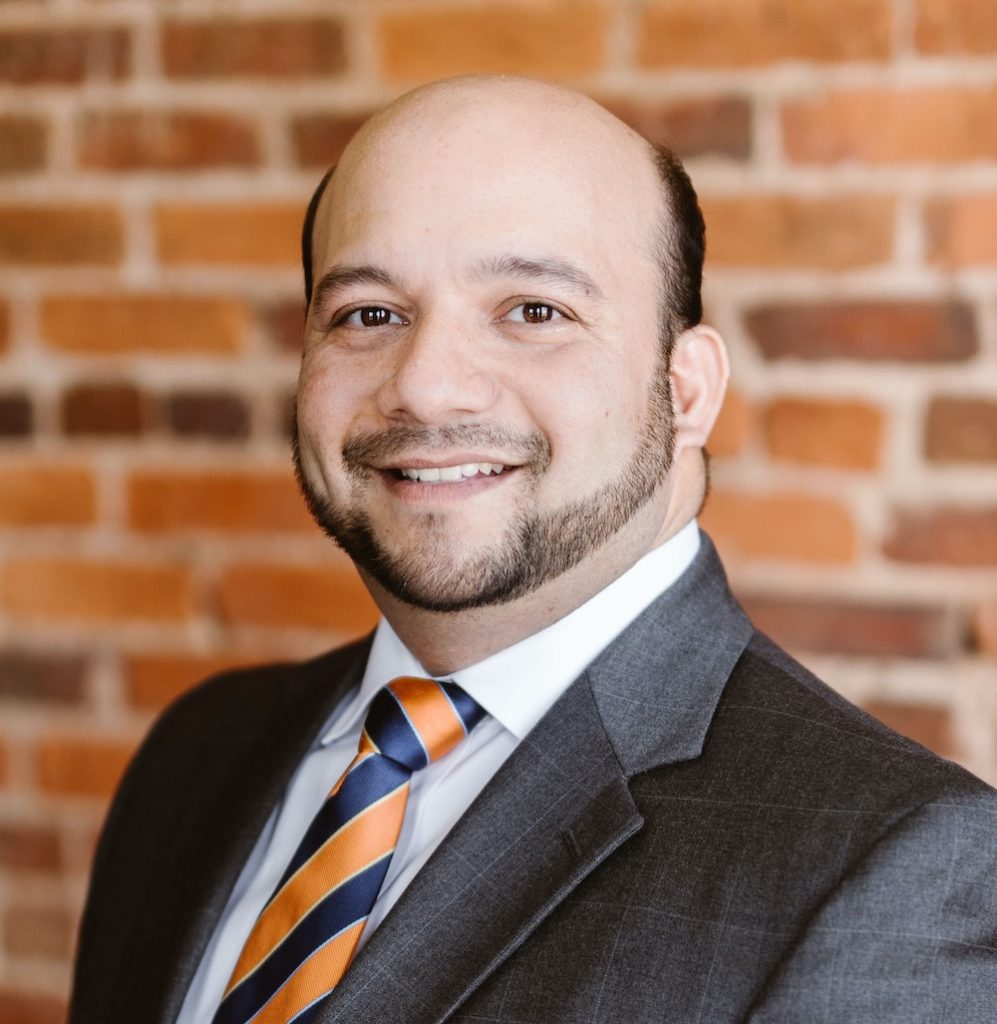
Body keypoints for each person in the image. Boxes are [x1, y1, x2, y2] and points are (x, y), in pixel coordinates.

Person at [70, 76, 997, 1024]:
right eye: (368, 314)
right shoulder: (198, 753)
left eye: (533, 311)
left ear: (686, 390)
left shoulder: (893, 871)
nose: (426, 387)